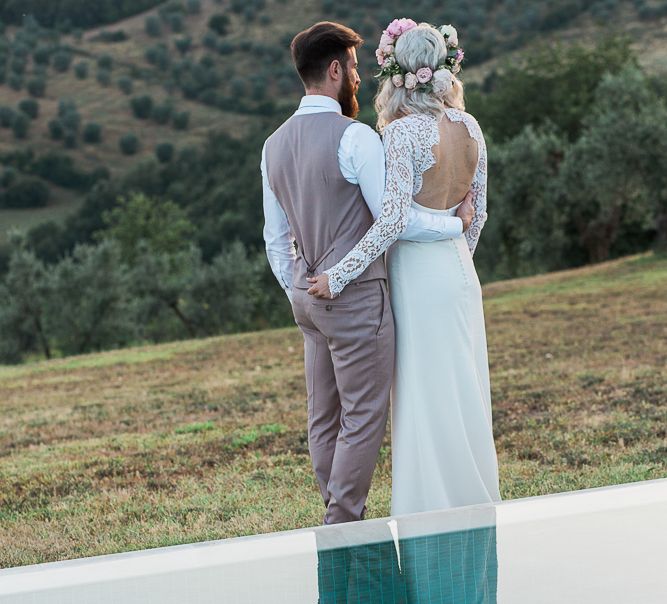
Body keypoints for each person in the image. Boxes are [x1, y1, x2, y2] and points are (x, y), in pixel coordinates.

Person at [261, 21, 473, 524]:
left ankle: (338, 512)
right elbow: (394, 219)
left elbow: (274, 239)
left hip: (307, 301)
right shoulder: (354, 138)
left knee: (323, 418)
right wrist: (453, 223)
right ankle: (343, 521)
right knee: (362, 419)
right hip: (357, 301)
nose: (359, 79)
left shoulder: (271, 146)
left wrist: (295, 288)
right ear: (335, 70)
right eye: (354, 68)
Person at [307, 20, 501, 515]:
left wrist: (339, 274)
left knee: (423, 392)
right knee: (462, 387)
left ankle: (430, 511)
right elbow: (476, 215)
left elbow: (390, 221)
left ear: (395, 75)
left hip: (415, 277)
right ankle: (471, 501)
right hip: (459, 274)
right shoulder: (470, 126)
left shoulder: (400, 135)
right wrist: (459, 252)